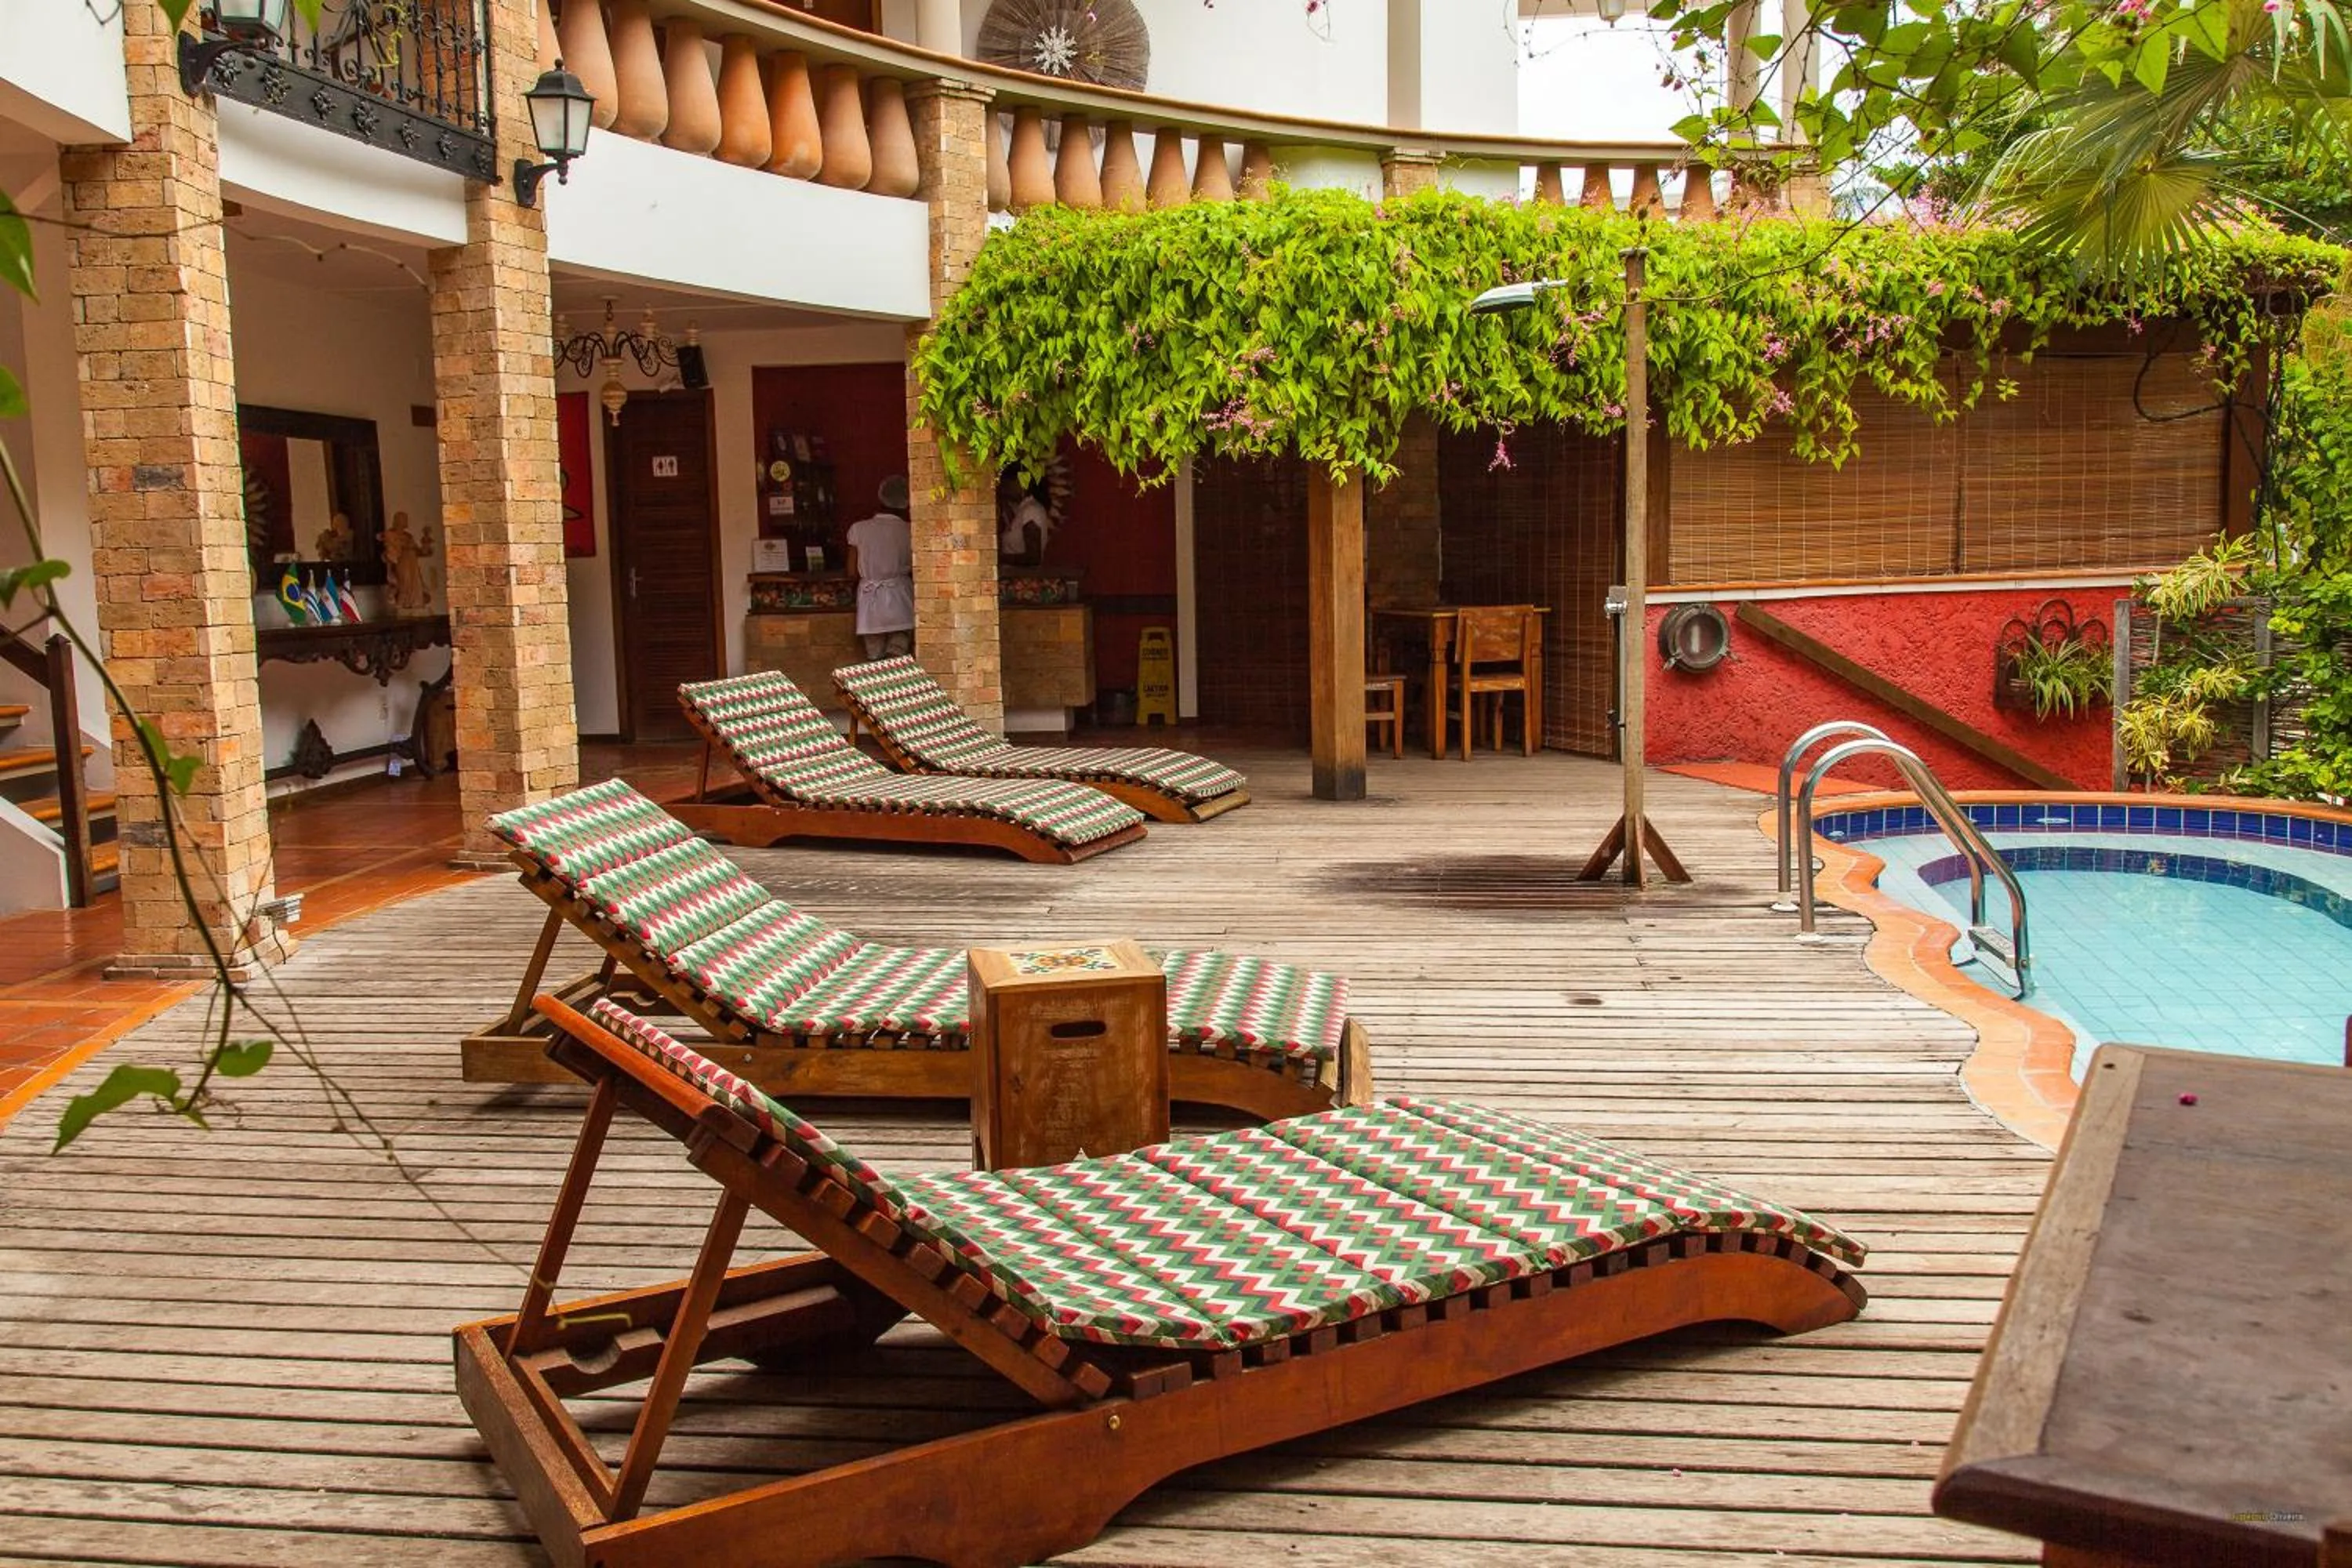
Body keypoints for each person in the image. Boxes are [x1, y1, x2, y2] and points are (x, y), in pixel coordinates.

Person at [844, 474, 914, 660]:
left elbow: (851, 571)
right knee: (898, 656)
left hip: (870, 604)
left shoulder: (858, 529)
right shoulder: (910, 531)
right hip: (901, 601)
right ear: (907, 501)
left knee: (874, 660)